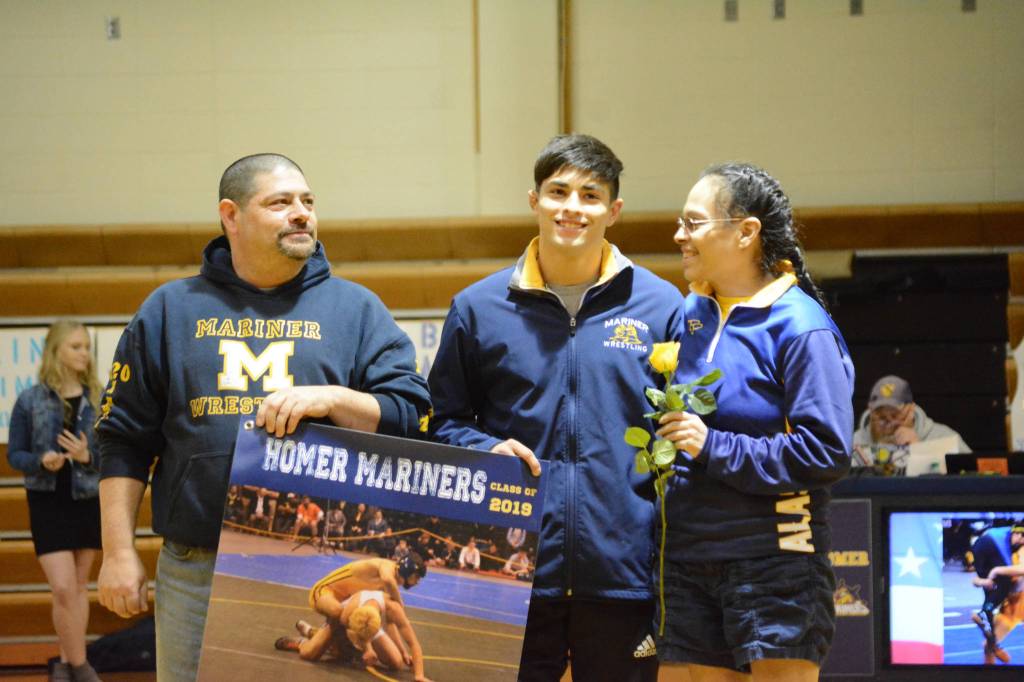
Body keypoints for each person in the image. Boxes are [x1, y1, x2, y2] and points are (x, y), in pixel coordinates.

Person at [94, 153, 432, 682]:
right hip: (195, 567)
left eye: (308, 201)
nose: (301, 213)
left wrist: (334, 398)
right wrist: (117, 552)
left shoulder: (357, 309)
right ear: (231, 215)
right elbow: (121, 440)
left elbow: (411, 416)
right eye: (280, 203)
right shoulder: (168, 310)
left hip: (314, 567)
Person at [429, 133, 684, 681]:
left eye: (590, 195)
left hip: (624, 571)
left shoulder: (662, 306)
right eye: (559, 191)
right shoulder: (478, 308)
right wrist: (485, 447)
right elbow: (443, 420)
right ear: (534, 200)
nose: (573, 207)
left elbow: (680, 434)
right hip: (514, 567)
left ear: (613, 211)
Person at [656, 163, 854, 681]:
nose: (679, 235)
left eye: (693, 223)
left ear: (745, 233)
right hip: (687, 559)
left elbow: (825, 451)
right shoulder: (690, 314)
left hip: (778, 561)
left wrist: (712, 445)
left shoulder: (800, 325)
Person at [7, 320, 104, 682]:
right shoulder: (30, 399)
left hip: (86, 499)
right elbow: (14, 455)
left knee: (77, 589)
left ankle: (64, 663)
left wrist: (86, 456)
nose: (84, 353)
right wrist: (39, 461)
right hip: (48, 500)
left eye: (86, 347)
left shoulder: (97, 397)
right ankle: (80, 666)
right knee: (62, 586)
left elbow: (112, 454)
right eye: (76, 346)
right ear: (56, 350)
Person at [276, 588, 432, 681]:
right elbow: (357, 631)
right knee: (310, 654)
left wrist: (419, 674)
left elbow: (413, 643)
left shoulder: (393, 608)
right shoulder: (349, 613)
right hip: (339, 622)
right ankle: (305, 641)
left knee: (396, 663)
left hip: (365, 624)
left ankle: (314, 634)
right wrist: (368, 649)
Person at [852, 375, 971, 461]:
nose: (888, 426)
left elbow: (971, 473)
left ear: (911, 411)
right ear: (870, 412)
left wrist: (920, 450)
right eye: (881, 417)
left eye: (895, 416)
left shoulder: (943, 437)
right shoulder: (855, 443)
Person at [969, 523, 1024, 664]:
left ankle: (985, 616)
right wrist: (983, 581)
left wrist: (997, 571)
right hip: (1013, 607)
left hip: (1016, 601)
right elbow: (976, 581)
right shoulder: (1004, 549)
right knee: (988, 646)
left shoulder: (1016, 548)